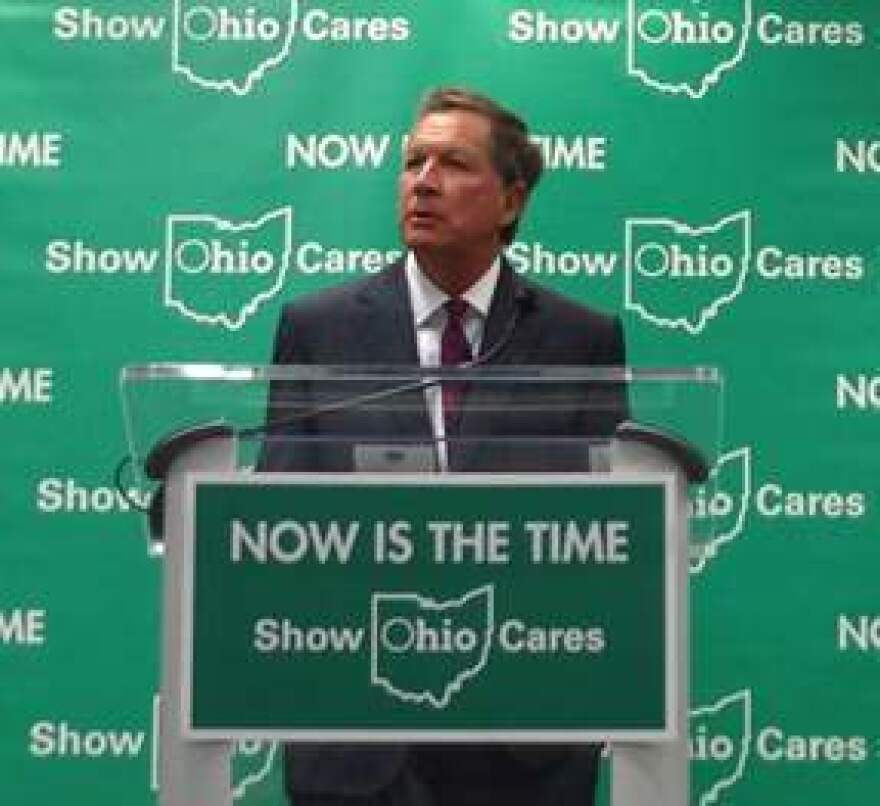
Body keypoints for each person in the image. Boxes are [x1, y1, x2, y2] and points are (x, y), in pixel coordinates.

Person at [261, 87, 628, 805]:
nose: (423, 181)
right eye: (412, 162)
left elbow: (614, 537)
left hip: (522, 742)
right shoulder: (318, 328)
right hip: (357, 732)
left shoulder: (580, 340)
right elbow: (280, 513)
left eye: (453, 163)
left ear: (511, 201)